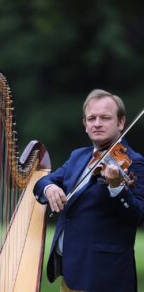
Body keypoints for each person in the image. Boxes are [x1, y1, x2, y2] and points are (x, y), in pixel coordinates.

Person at [33, 89, 144, 292]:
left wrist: (117, 186)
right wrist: (50, 188)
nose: (97, 123)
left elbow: (137, 215)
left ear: (120, 123)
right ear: (85, 125)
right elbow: (43, 181)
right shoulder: (78, 156)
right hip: (71, 274)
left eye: (105, 118)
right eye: (91, 118)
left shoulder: (133, 163)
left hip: (105, 278)